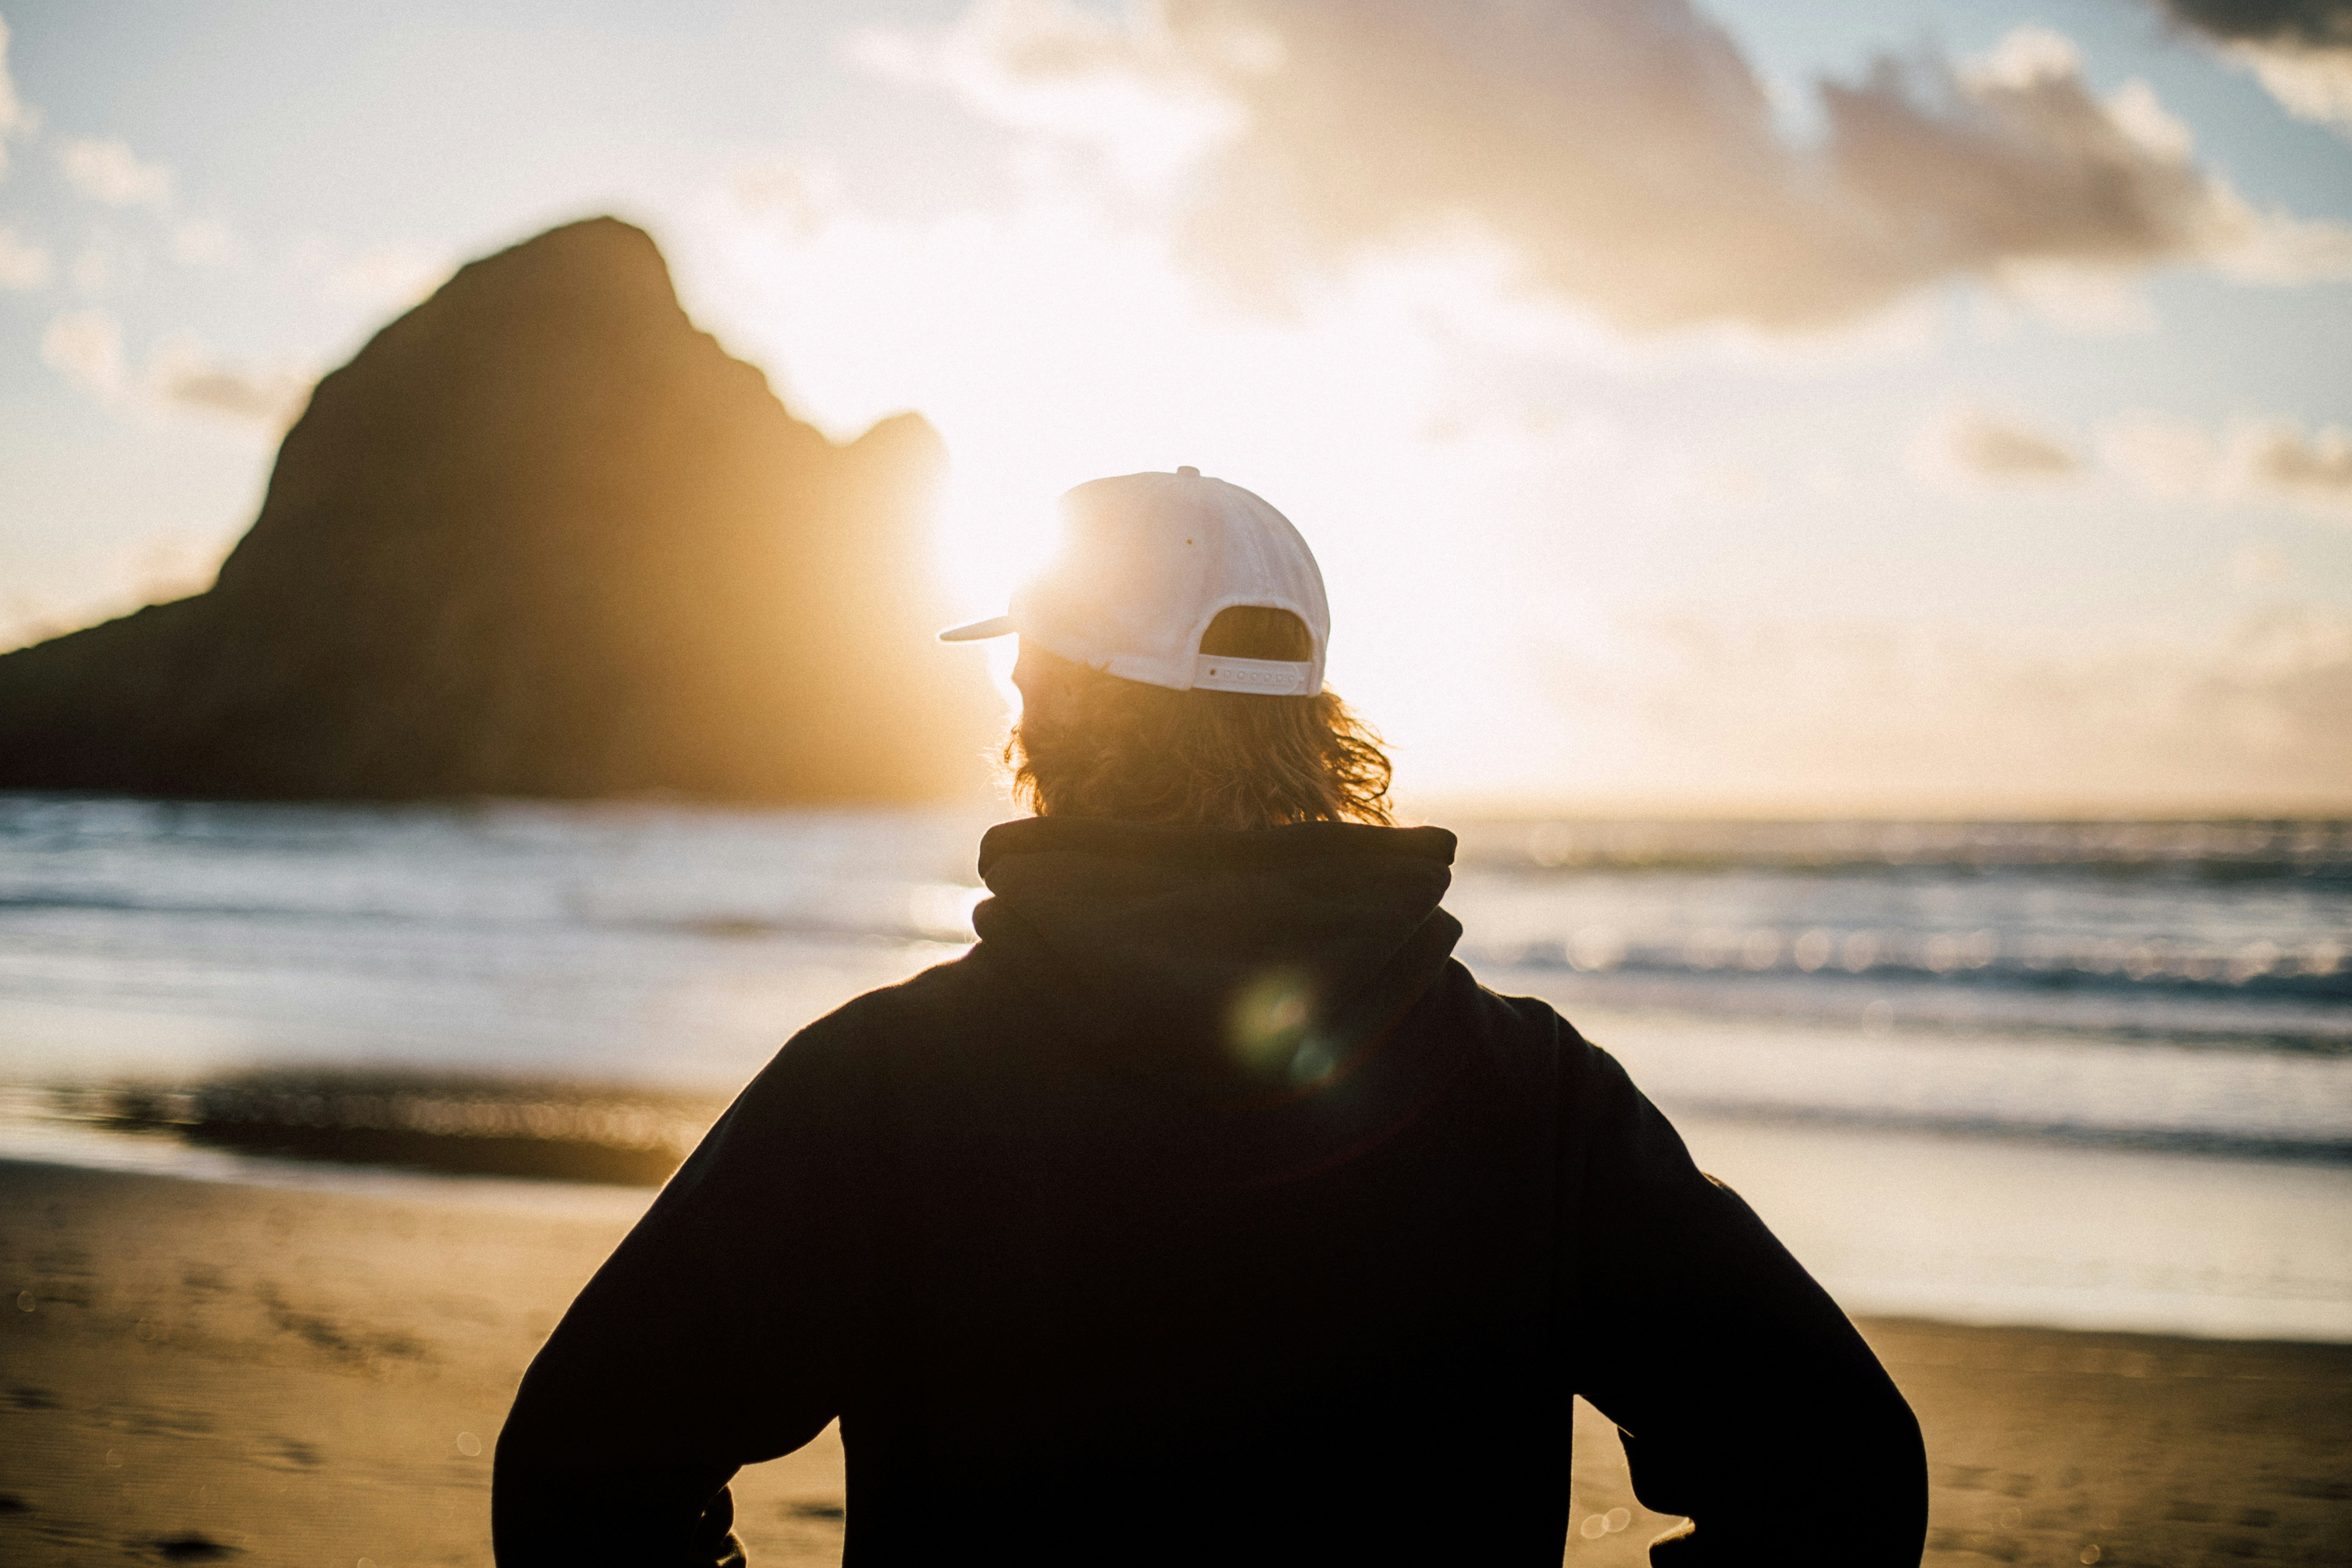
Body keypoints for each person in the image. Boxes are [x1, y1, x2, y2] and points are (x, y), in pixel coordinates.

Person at [492, 468, 1928, 1565]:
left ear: (1051, 706)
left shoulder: (886, 1082)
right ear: (1310, 713)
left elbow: (579, 1469)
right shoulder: (1529, 1092)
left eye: (1026, 668)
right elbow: (1844, 1471)